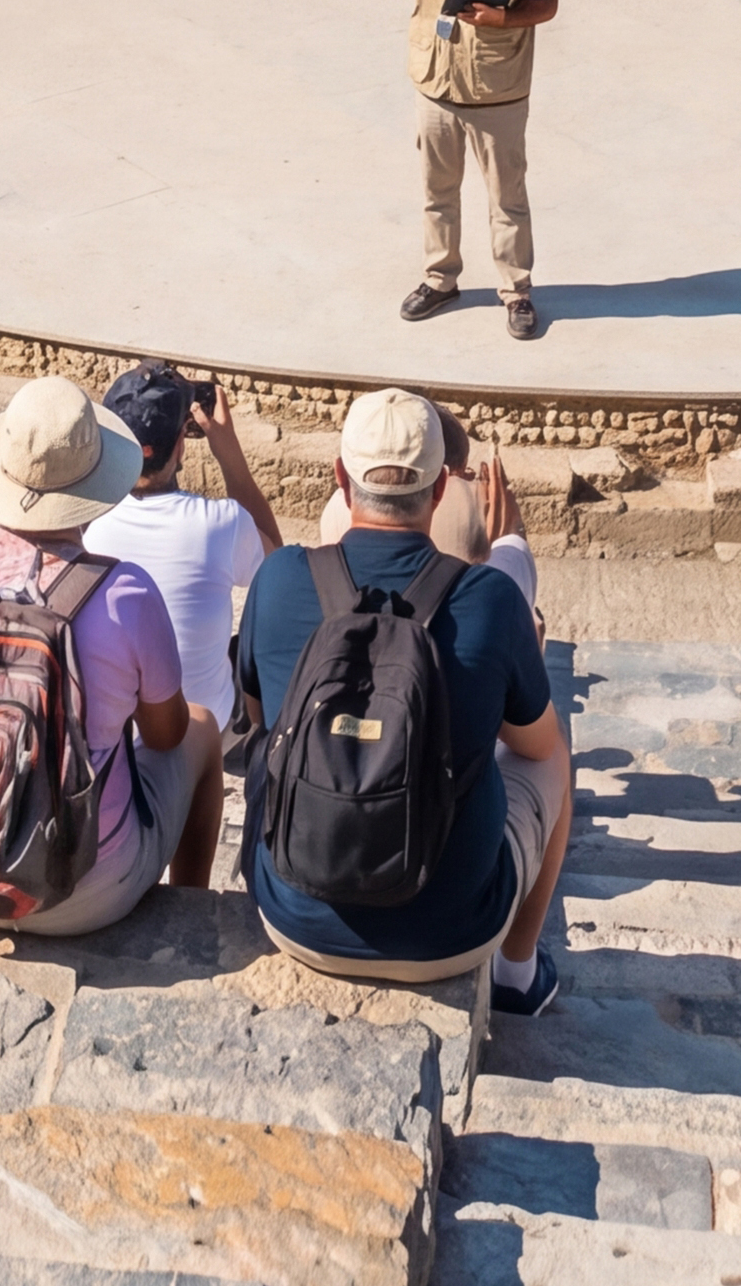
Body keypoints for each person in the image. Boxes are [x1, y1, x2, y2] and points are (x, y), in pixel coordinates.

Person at [231, 388, 575, 1013]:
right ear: (443, 488)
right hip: (451, 934)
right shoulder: (493, 600)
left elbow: (258, 720)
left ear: (340, 477)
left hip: (290, 917)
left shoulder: (279, 577)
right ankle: (517, 975)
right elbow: (536, 746)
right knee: (553, 759)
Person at [0, 374, 221, 937]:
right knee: (202, 728)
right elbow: (165, 737)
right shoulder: (126, 594)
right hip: (81, 890)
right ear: (93, 487)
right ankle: (189, 920)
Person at [278, 0, 562, 339]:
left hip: (497, 90)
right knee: (437, 190)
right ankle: (440, 278)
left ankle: (516, 292)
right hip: (435, 82)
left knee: (507, 197)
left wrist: (503, 20)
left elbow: (547, 3)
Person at [85, 357, 281, 701]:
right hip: (205, 731)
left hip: (116, 732)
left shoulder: (87, 524)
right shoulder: (222, 524)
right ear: (180, 445)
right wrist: (228, 450)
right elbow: (276, 566)